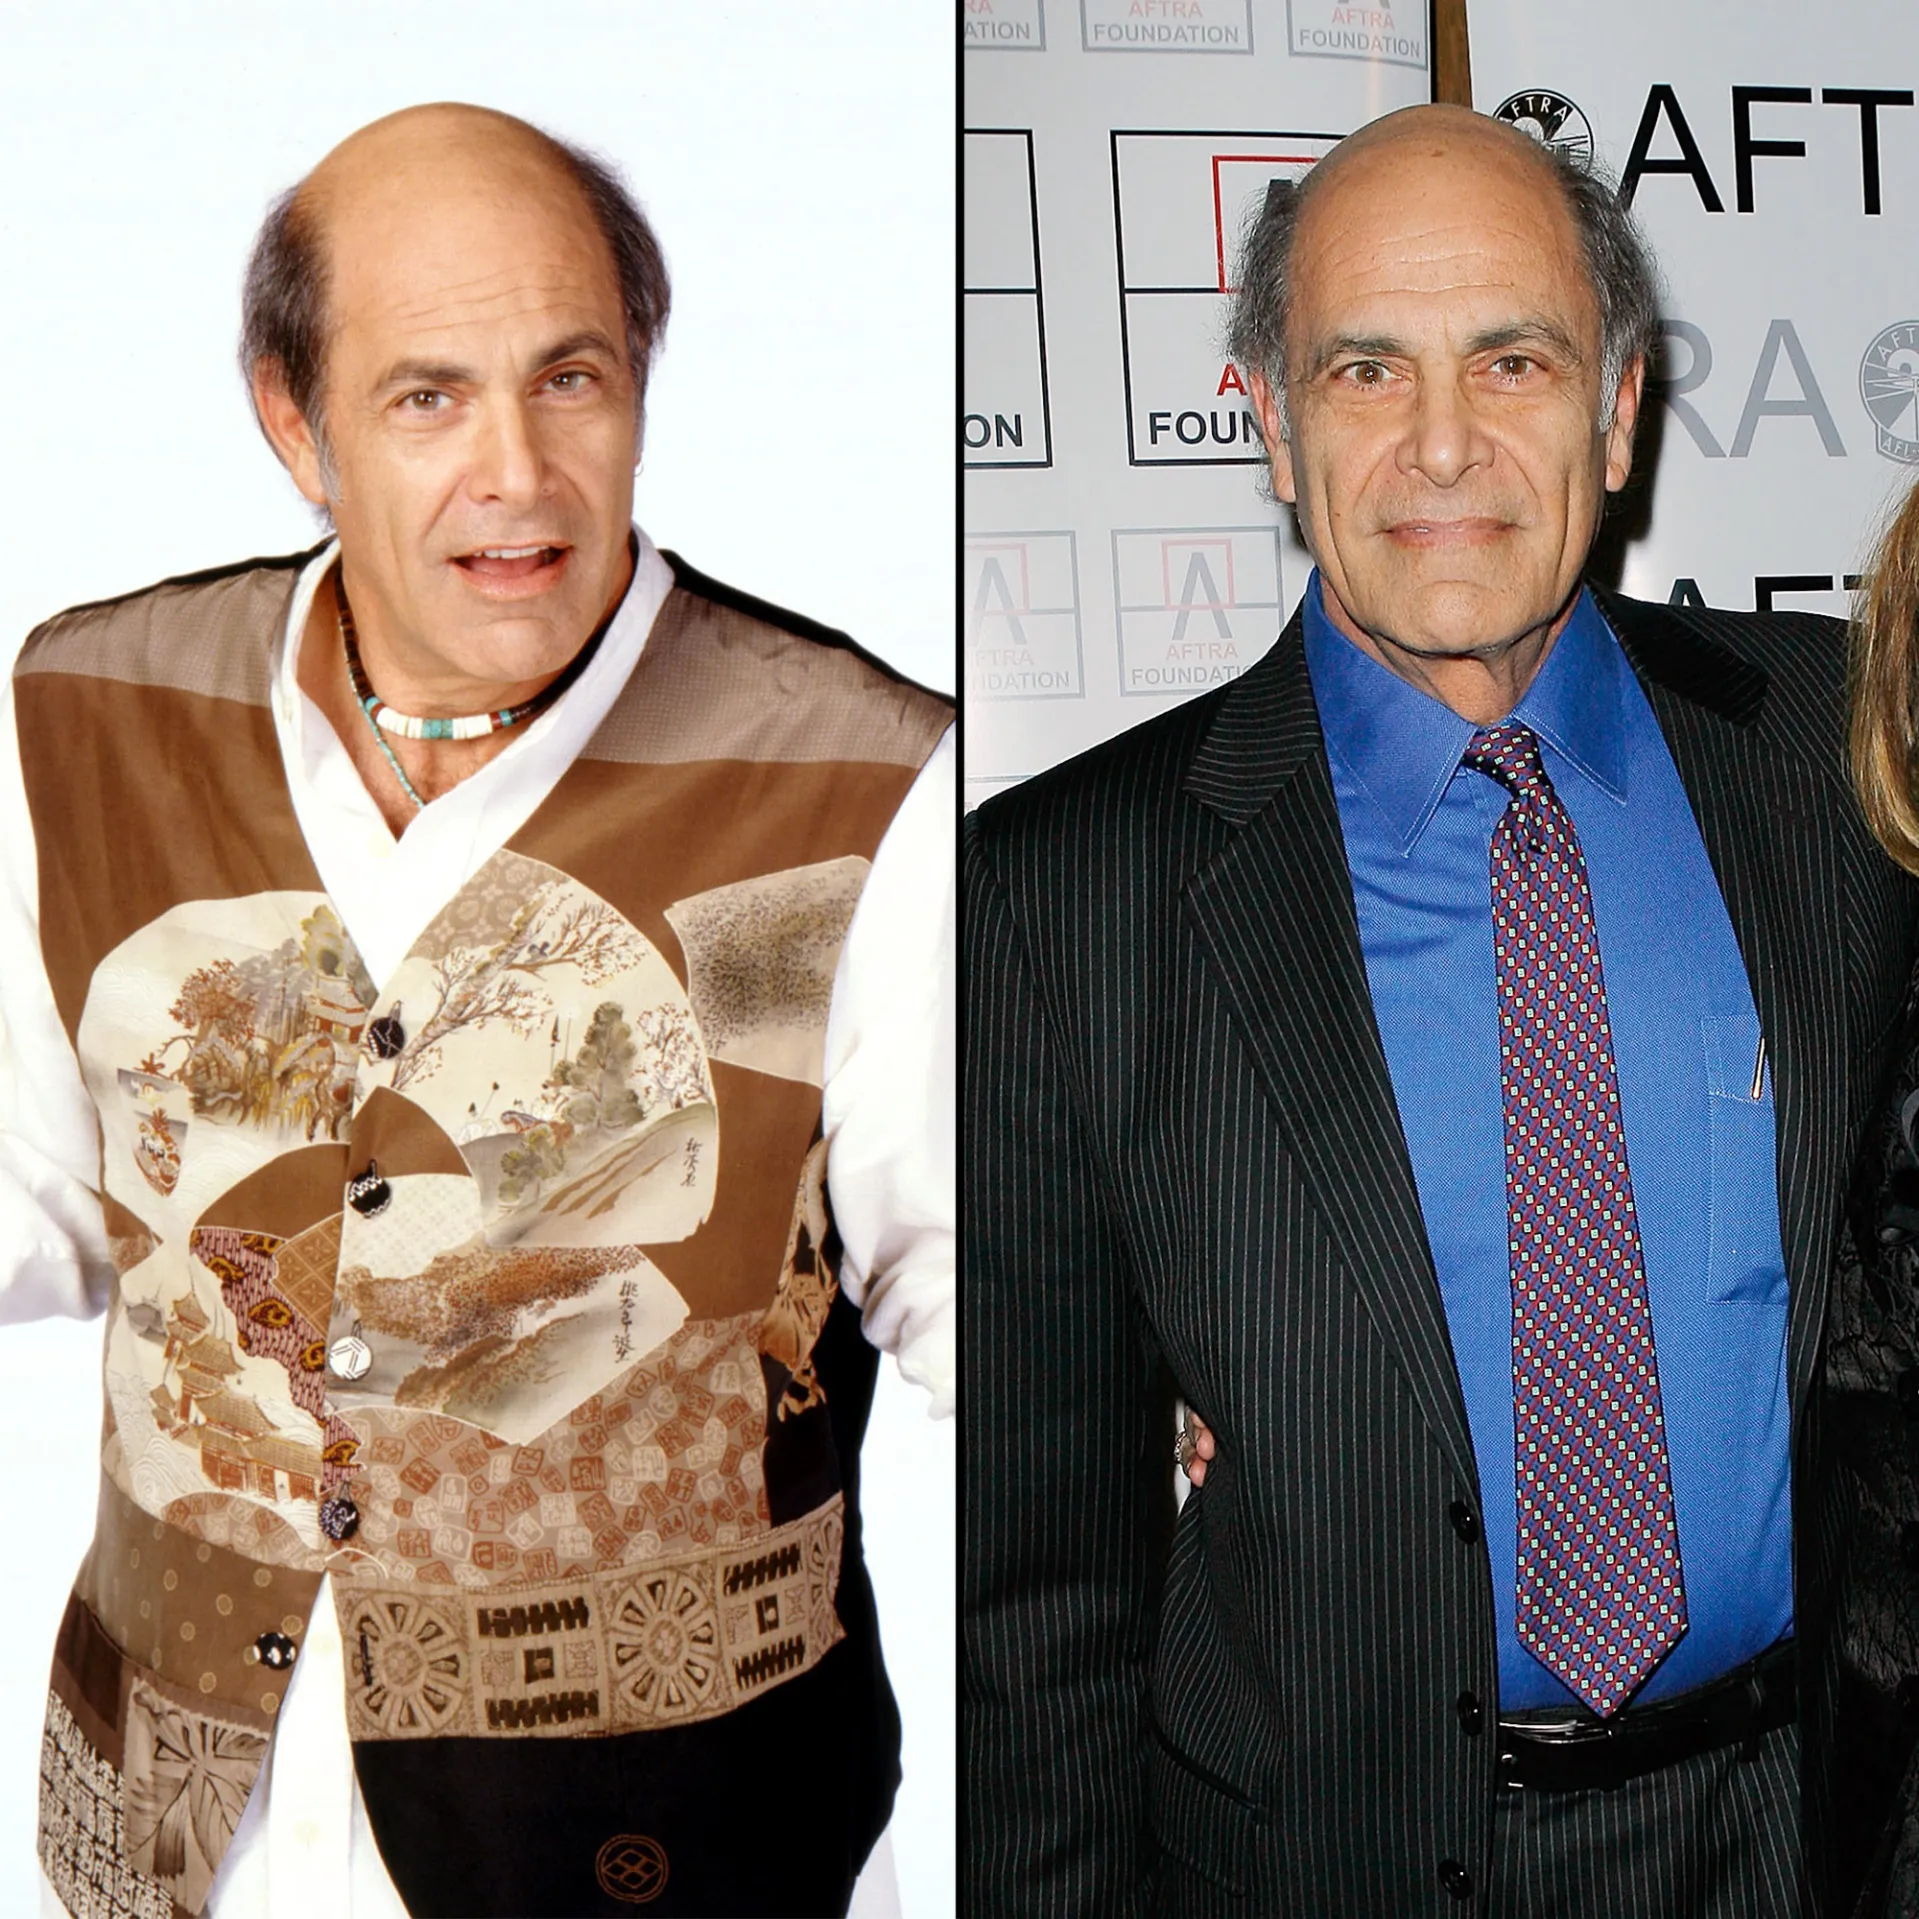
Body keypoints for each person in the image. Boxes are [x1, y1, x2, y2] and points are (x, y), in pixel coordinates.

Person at [963, 102, 1918, 1916]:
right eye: (1363, 369)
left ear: (1617, 411)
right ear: (1269, 424)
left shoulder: (1843, 757)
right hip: (1329, 1860)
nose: (1441, 442)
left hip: (1805, 1832)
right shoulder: (1063, 894)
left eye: (1512, 359)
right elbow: (1036, 1612)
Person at [4, 103, 953, 1919]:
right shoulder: (88, 716)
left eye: (569, 380)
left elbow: (994, 1302)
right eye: (428, 397)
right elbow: (39, 1190)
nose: (516, 472)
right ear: (295, 423)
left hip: (662, 1842)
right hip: (183, 1827)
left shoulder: (846, 781)